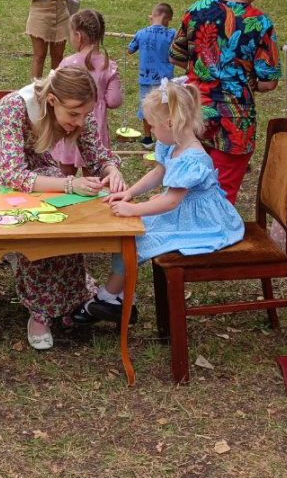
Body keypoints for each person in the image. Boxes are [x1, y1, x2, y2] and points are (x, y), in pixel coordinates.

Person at [0, 65, 127, 350]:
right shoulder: (14, 108)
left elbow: (97, 153)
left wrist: (112, 170)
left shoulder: (74, 110)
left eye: (85, 114)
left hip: (33, 172)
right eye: (74, 114)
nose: (79, 121)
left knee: (66, 218)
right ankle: (40, 314)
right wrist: (70, 185)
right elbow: (12, 173)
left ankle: (69, 299)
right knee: (40, 226)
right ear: (52, 101)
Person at [79, 79, 245, 321]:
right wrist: (131, 193)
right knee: (130, 236)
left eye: (153, 126)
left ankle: (111, 297)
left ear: (170, 123)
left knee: (136, 240)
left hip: (203, 223)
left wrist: (133, 210)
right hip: (182, 213)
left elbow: (170, 202)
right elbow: (158, 172)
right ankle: (117, 296)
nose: (152, 131)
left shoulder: (193, 159)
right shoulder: (171, 146)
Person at [169, 0, 281, 204]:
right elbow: (268, 81)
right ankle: (216, 239)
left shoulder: (197, 9)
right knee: (222, 195)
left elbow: (175, 55)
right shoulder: (260, 22)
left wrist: (201, 68)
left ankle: (189, 238)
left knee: (187, 190)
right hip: (236, 121)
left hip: (195, 114)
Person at [52, 9, 121, 175]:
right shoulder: (109, 66)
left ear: (78, 36)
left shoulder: (67, 63)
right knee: (93, 176)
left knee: (64, 173)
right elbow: (114, 100)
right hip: (96, 128)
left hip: (68, 126)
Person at [127, 2, 176, 148]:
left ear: (152, 16)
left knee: (146, 107)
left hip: (145, 78)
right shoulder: (172, 33)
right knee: (165, 107)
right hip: (165, 80)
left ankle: (147, 138)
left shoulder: (141, 33)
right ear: (167, 19)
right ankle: (165, 138)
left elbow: (130, 49)